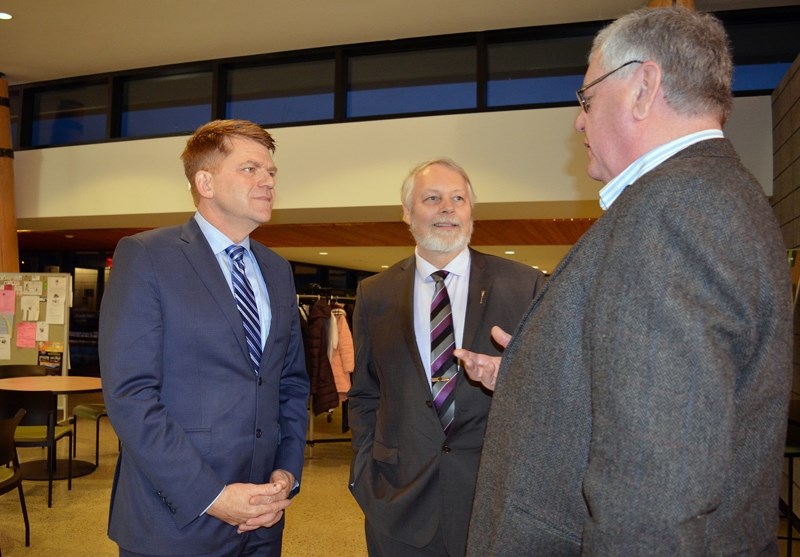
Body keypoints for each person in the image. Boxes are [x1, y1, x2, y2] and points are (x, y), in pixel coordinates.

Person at [457, 7, 793, 556]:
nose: (579, 121)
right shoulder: (707, 199)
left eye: (586, 99)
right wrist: (539, 368)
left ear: (642, 87)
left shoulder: (672, 214)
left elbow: (650, 496)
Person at [99, 119, 310, 557]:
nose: (268, 181)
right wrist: (213, 497)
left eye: (271, 173)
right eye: (251, 169)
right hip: (175, 519)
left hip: (263, 519)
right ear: (206, 182)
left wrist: (286, 473)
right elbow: (131, 395)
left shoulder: (277, 269)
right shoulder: (146, 256)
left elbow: (289, 383)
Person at [348, 158, 545, 556]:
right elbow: (365, 392)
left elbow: (556, 392)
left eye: (458, 198)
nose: (447, 208)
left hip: (493, 500)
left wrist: (514, 378)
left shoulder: (524, 285)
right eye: (432, 198)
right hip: (396, 501)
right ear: (407, 213)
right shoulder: (375, 293)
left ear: (471, 211)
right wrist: (364, 474)